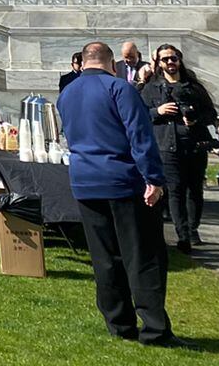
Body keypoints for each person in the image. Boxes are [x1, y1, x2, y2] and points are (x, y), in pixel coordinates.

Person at [58, 40, 182, 348]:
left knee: (104, 257)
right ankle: (154, 328)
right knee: (143, 255)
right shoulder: (119, 89)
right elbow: (139, 135)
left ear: (83, 62)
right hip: (122, 180)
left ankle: (119, 323)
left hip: (85, 180)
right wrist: (153, 178)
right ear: (112, 63)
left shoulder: (67, 93)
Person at [139, 44, 219, 253]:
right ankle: (182, 234)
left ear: (179, 60)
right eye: (165, 59)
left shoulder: (193, 87)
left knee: (194, 191)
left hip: (194, 145)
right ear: (158, 63)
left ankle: (193, 229)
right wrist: (158, 111)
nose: (170, 63)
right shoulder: (152, 87)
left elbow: (210, 114)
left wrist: (195, 120)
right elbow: (140, 114)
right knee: (175, 191)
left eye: (173, 58)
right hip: (167, 145)